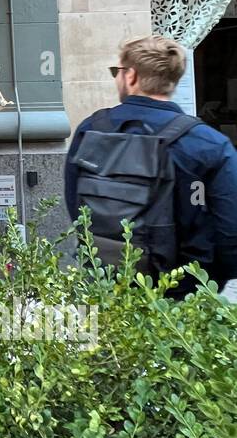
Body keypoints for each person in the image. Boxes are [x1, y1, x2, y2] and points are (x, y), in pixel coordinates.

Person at [65, 35, 237, 294]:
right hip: (184, 293)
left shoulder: (91, 130)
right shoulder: (208, 144)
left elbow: (75, 202)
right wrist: (212, 283)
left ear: (131, 76)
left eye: (117, 72)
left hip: (104, 282)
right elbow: (229, 229)